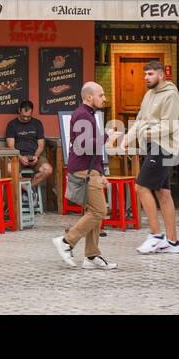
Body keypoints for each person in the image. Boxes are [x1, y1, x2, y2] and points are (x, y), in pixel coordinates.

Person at [52, 82, 115, 269]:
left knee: (94, 212)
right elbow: (85, 146)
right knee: (99, 211)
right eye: (101, 95)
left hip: (90, 170)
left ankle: (91, 256)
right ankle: (66, 242)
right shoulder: (82, 115)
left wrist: (101, 172)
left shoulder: (88, 114)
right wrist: (106, 136)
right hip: (84, 171)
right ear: (89, 97)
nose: (104, 98)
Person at [123, 60, 179, 255]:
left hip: (164, 147)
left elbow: (170, 126)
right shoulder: (148, 94)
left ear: (161, 75)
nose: (146, 78)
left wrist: (146, 133)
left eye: (150, 74)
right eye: (145, 75)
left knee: (141, 187)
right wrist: (127, 138)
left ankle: (156, 235)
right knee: (163, 193)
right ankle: (173, 242)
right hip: (153, 146)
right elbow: (140, 120)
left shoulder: (171, 96)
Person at [4, 100, 47, 172]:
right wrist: (20, 157)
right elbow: (10, 146)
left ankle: (30, 184)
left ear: (32, 112)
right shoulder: (12, 124)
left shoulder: (37, 123)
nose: (26, 118)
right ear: (19, 111)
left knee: (47, 170)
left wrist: (36, 156)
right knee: (9, 169)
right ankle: (22, 183)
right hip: (17, 157)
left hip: (34, 156)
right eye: (23, 116)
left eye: (28, 116)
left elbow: (41, 145)